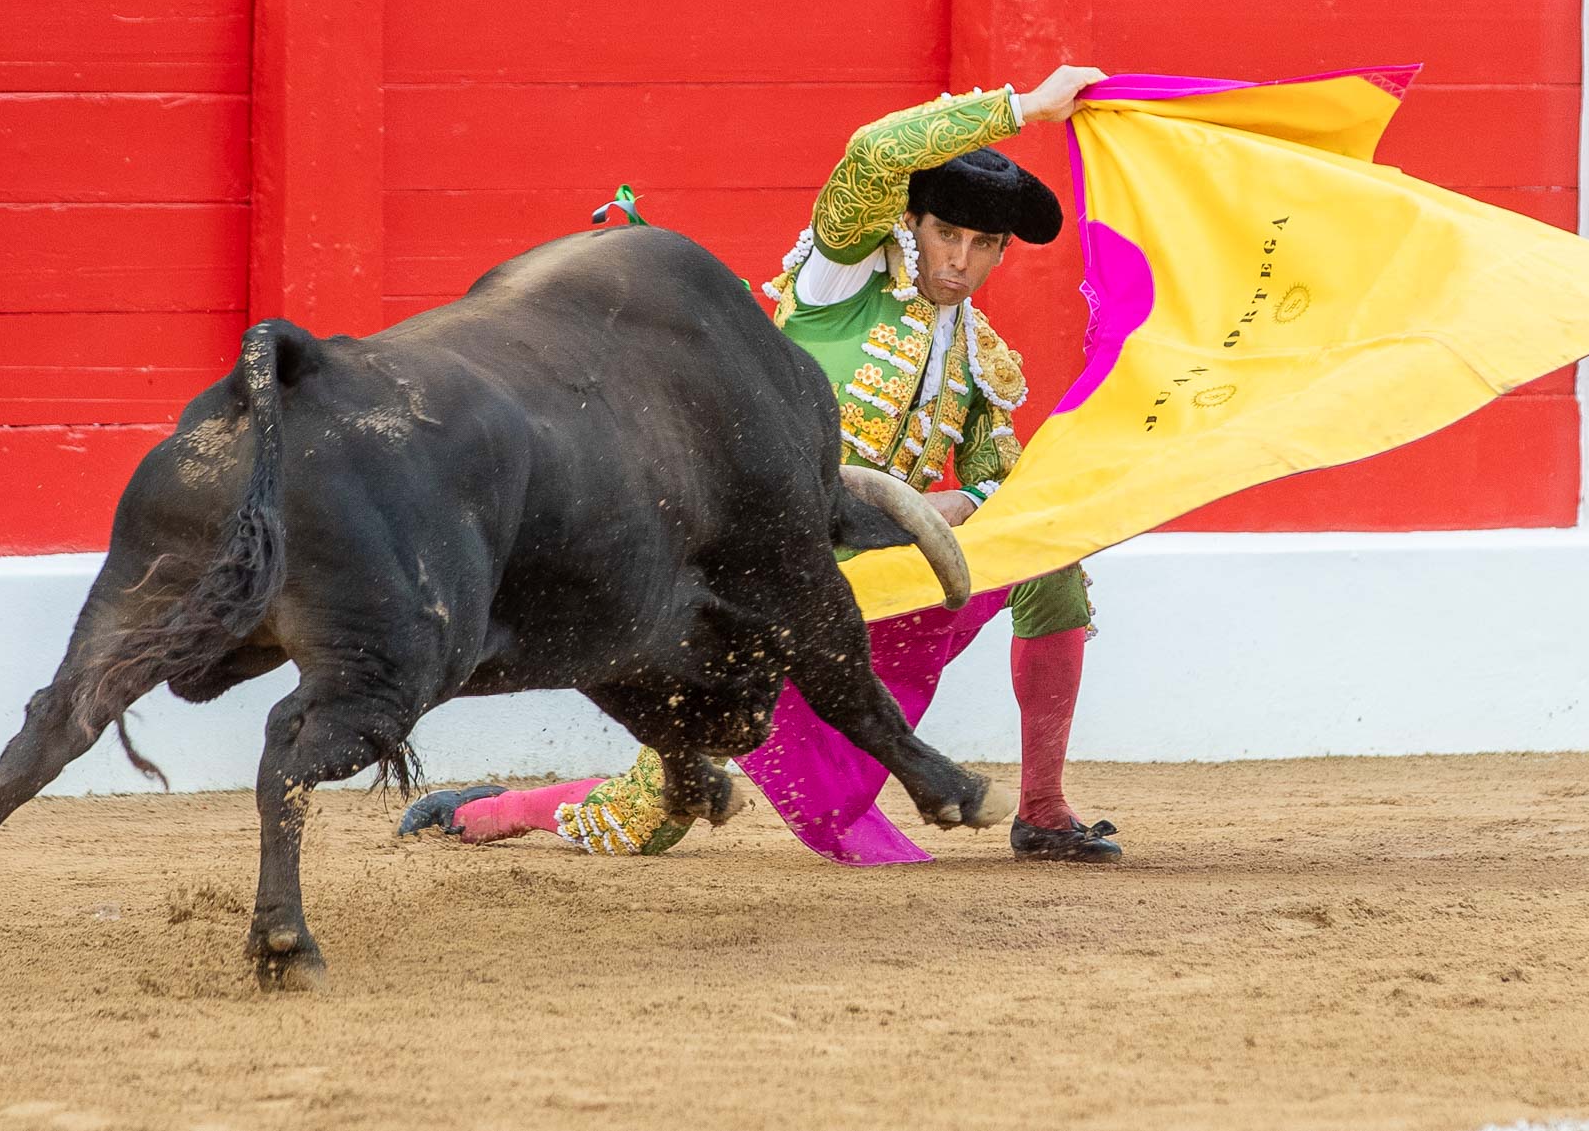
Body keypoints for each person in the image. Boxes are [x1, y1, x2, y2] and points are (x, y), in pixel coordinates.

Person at [402, 67, 1120, 863]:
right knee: (655, 814)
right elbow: (874, 153)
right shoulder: (840, 277)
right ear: (910, 223)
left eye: (985, 245)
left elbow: (1002, 476)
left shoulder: (981, 358)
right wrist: (1023, 108)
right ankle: (502, 809)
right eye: (947, 234)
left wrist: (969, 499)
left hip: (872, 572)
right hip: (752, 574)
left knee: (1054, 562)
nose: (962, 258)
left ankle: (1045, 809)